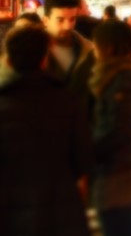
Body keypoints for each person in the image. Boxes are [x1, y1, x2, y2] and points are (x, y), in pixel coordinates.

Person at [0, 22, 92, 236]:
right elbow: (83, 160)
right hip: (62, 209)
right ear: (44, 59)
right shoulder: (67, 100)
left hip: (11, 214)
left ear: (9, 60)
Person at [90, 20, 131, 236]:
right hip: (128, 161)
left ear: (109, 47)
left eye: (96, 44)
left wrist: (86, 151)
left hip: (118, 167)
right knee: (127, 218)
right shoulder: (127, 72)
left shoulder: (120, 79)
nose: (93, 49)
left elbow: (116, 129)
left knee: (117, 223)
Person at [42, 0, 96, 117]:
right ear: (46, 20)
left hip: (80, 129)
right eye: (60, 20)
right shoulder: (30, 51)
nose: (68, 26)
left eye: (72, 19)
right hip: (42, 130)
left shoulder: (88, 51)